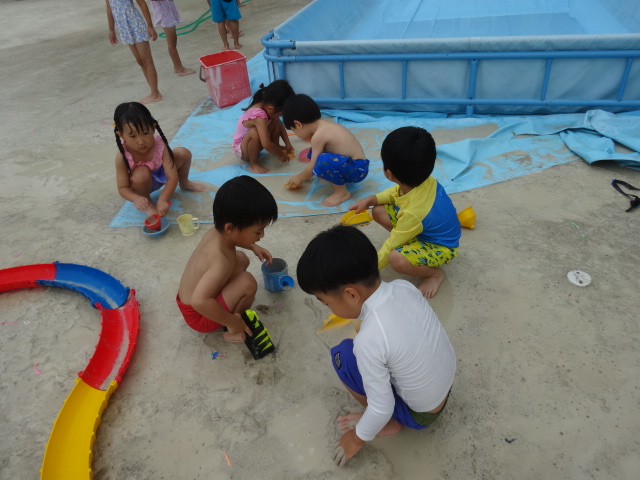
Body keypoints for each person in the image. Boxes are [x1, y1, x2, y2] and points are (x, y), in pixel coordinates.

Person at [296, 225, 456, 467]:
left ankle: (391, 424)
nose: (328, 307)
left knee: (343, 356)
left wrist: (356, 438)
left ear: (351, 294)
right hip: (444, 387)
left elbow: (382, 407)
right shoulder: (403, 287)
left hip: (421, 415)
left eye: (326, 302)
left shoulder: (370, 341)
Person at [348, 126, 461, 298]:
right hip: (422, 227)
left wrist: (366, 274)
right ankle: (409, 241)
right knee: (378, 209)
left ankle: (434, 274)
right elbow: (395, 193)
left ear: (388, 174)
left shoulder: (413, 213)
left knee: (397, 259)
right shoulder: (426, 180)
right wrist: (371, 200)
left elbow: (391, 245)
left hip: (441, 246)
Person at [177, 176, 278, 340]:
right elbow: (199, 301)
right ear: (230, 227)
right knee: (247, 282)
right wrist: (232, 322)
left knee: (241, 258)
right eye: (258, 231)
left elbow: (235, 238)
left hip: (193, 300)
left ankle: (229, 308)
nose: (262, 235)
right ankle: (232, 330)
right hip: (199, 316)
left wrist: (253, 246)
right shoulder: (220, 261)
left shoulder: (217, 232)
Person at [113, 102, 205, 216]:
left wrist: (163, 200)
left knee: (183, 153)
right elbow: (123, 188)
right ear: (121, 135)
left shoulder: (159, 144)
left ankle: (184, 182)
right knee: (141, 172)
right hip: (141, 184)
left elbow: (172, 177)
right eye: (132, 136)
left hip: (162, 176)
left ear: (153, 127)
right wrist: (137, 198)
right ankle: (147, 202)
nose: (141, 141)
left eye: (145, 133)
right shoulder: (122, 156)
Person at [283, 94, 369, 207]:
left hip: (357, 170)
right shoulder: (324, 125)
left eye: (293, 130)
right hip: (355, 165)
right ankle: (330, 174)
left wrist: (299, 177)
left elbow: (314, 165)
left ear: (298, 124)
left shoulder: (318, 136)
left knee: (322, 160)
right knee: (314, 153)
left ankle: (341, 192)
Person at [232, 80, 295, 174]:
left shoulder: (267, 107)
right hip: (244, 151)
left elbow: (280, 126)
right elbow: (266, 144)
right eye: (280, 114)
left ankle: (275, 146)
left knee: (276, 122)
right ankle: (253, 163)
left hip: (255, 145)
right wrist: (281, 155)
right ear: (271, 108)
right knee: (254, 133)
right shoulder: (258, 116)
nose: (280, 116)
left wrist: (288, 143)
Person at [106, 0, 163, 104]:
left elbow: (142, 3)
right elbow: (109, 9)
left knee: (147, 61)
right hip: (124, 28)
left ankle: (155, 94)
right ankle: (154, 92)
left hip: (136, 25)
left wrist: (150, 26)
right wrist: (111, 30)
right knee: (140, 61)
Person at [149, 0, 195, 76]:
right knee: (172, 44)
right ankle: (180, 69)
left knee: (173, 42)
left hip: (168, 11)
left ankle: (176, 66)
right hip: (164, 14)